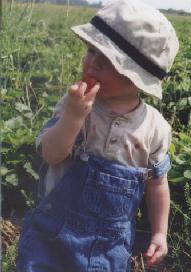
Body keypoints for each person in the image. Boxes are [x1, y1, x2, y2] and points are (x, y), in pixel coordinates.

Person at [16, 0, 179, 271]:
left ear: (136, 78)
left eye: (108, 61)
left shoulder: (155, 128)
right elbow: (51, 154)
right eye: (92, 51)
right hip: (50, 236)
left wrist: (160, 233)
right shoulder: (74, 106)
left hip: (108, 250)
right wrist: (73, 117)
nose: (92, 63)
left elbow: (157, 185)